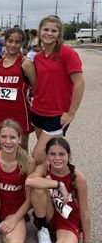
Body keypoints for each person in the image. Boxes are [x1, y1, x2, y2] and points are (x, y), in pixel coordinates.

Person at [26, 138, 102, 243]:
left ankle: (60, 238)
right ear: (47, 155)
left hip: (67, 221)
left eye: (61, 154)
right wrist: (59, 185)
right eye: (52, 154)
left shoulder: (78, 178)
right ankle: (43, 229)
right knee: (38, 188)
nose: (57, 158)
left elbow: (84, 212)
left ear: (69, 155)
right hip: (49, 215)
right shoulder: (44, 168)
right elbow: (30, 181)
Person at [31, 15, 84, 164]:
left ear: (59, 34)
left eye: (53, 30)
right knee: (49, 156)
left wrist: (71, 113)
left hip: (57, 115)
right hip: (38, 111)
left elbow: (79, 83)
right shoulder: (38, 57)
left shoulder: (67, 53)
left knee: (37, 157)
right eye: (45, 29)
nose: (49, 33)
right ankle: (48, 186)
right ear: (40, 31)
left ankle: (69, 181)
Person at [0, 28, 36, 150]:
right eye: (10, 41)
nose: (13, 45)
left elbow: (35, 88)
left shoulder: (25, 63)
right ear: (5, 41)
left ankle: (24, 170)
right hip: (1, 112)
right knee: (3, 147)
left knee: (21, 149)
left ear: (21, 44)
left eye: (17, 42)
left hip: (20, 112)